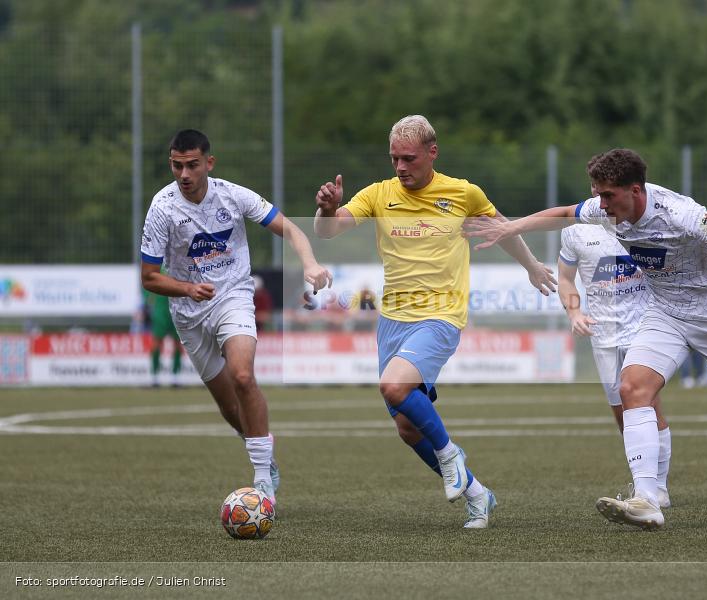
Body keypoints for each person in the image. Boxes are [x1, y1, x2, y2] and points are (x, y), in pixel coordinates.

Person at [464, 148, 707, 530]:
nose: (600, 204)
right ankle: (648, 499)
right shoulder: (607, 208)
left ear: (635, 190)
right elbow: (564, 213)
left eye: (608, 195)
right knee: (632, 387)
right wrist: (511, 227)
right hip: (666, 313)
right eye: (597, 194)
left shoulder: (681, 214)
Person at [313, 114, 556, 528]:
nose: (401, 167)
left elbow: (503, 230)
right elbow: (328, 232)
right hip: (393, 320)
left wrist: (532, 266)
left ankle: (450, 456)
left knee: (394, 386)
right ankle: (478, 494)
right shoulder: (378, 194)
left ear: (432, 153)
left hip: (441, 315)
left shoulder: (463, 193)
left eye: (408, 158)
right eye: (394, 159)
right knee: (407, 428)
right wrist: (326, 210)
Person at [140, 129, 332, 504]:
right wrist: (186, 288)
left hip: (233, 296)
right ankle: (262, 450)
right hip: (188, 314)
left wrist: (309, 262)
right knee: (229, 405)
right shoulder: (162, 208)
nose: (184, 174)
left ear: (208, 163)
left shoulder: (232, 195)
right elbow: (149, 277)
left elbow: (290, 228)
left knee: (243, 375)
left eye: (192, 165)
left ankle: (262, 477)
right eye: (177, 166)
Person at [557, 223, 672, 507]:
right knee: (623, 414)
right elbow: (565, 278)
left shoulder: (645, 223)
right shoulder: (575, 233)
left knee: (645, 401)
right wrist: (574, 312)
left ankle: (658, 487)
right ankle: (644, 478)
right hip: (603, 335)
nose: (600, 193)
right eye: (596, 186)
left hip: (645, 327)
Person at [144, 278, 184, 387]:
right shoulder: (159, 267)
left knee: (178, 344)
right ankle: (154, 378)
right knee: (156, 343)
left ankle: (175, 378)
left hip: (177, 311)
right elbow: (148, 286)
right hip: (161, 311)